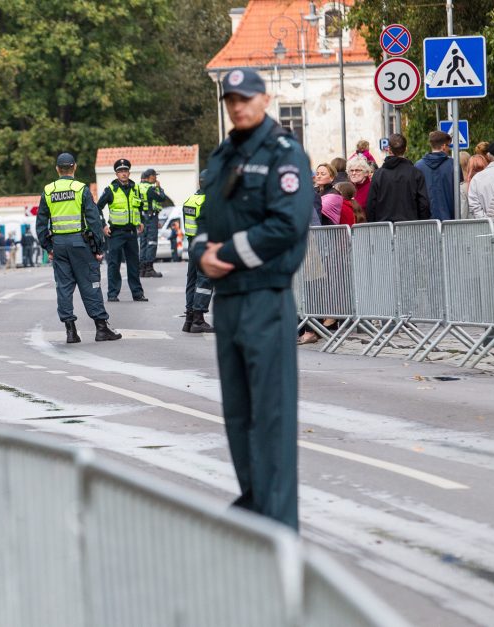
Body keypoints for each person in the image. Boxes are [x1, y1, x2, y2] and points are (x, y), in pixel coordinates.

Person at [196, 68, 312, 531]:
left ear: (265, 100)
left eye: (246, 98)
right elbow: (208, 216)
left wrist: (224, 254)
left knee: (272, 418)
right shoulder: (224, 155)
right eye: (231, 100)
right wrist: (199, 252)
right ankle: (253, 508)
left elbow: (288, 224)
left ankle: (279, 526)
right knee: (238, 414)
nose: (238, 107)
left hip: (266, 296)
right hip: (227, 300)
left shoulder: (284, 154)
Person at [36, 153, 121, 343]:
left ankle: (71, 332)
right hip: (80, 244)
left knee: (64, 288)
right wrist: (99, 248)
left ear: (57, 169)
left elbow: (41, 224)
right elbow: (94, 221)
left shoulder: (48, 191)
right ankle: (101, 328)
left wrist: (48, 247)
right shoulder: (80, 188)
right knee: (91, 284)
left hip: (59, 245)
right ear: (74, 167)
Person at [96, 158, 147, 302]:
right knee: (114, 264)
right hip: (116, 233)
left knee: (133, 265)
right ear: (116, 174)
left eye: (125, 171)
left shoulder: (136, 189)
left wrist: (141, 221)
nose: (123, 174)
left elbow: (140, 207)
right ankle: (112, 294)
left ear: (129, 172)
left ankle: (137, 294)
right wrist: (103, 225)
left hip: (131, 232)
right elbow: (97, 208)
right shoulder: (110, 190)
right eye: (120, 171)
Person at [366, 133, 430, 223]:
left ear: (389, 150)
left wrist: (373, 225)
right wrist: (422, 223)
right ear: (406, 149)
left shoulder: (378, 175)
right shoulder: (416, 173)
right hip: (410, 227)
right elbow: (424, 204)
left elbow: (371, 205)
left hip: (384, 229)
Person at [181, 171, 213, 334]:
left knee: (192, 280)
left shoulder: (190, 199)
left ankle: (189, 318)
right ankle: (199, 320)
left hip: (193, 243)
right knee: (205, 281)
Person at [414, 130, 455, 221]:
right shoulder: (453, 165)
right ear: (444, 146)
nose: (449, 149)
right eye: (449, 146)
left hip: (426, 221)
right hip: (450, 219)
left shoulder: (418, 166)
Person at [468, 141, 494, 218]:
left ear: (488, 156)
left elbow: (474, 205)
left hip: (486, 226)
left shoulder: (477, 178)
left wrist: (486, 220)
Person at [137, 168, 167, 278]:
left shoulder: (137, 187)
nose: (156, 178)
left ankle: (142, 269)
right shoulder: (150, 188)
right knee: (152, 243)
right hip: (150, 218)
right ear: (150, 177)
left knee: (143, 243)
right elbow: (162, 198)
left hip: (142, 218)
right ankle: (149, 269)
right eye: (155, 176)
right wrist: (159, 188)